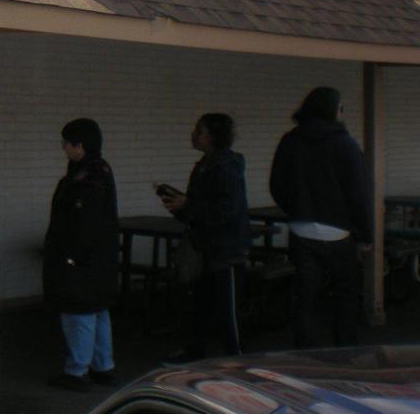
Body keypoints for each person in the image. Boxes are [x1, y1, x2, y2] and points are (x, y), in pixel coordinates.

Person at [269, 86, 372, 348]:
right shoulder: (345, 145)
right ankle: (344, 350)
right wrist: (366, 233)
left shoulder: (290, 141)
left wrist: (296, 209)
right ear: (332, 111)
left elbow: (277, 185)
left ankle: (306, 352)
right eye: (341, 108)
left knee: (307, 296)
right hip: (339, 232)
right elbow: (358, 194)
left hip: (302, 230)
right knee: (345, 294)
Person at [155, 113, 250, 361]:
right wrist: (181, 207)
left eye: (198, 131)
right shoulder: (205, 165)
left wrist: (188, 205)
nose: (193, 135)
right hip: (206, 247)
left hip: (224, 250)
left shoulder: (224, 167)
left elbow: (226, 211)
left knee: (227, 310)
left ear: (210, 137)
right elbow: (203, 209)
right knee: (202, 305)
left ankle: (238, 357)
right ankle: (197, 350)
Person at [42, 118, 119, 391]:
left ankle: (77, 371)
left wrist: (72, 255)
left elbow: (83, 222)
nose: (64, 148)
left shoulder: (86, 178)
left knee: (79, 314)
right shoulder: (101, 171)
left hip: (81, 259)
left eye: (67, 143)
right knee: (98, 312)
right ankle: (103, 366)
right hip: (100, 259)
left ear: (80, 145)